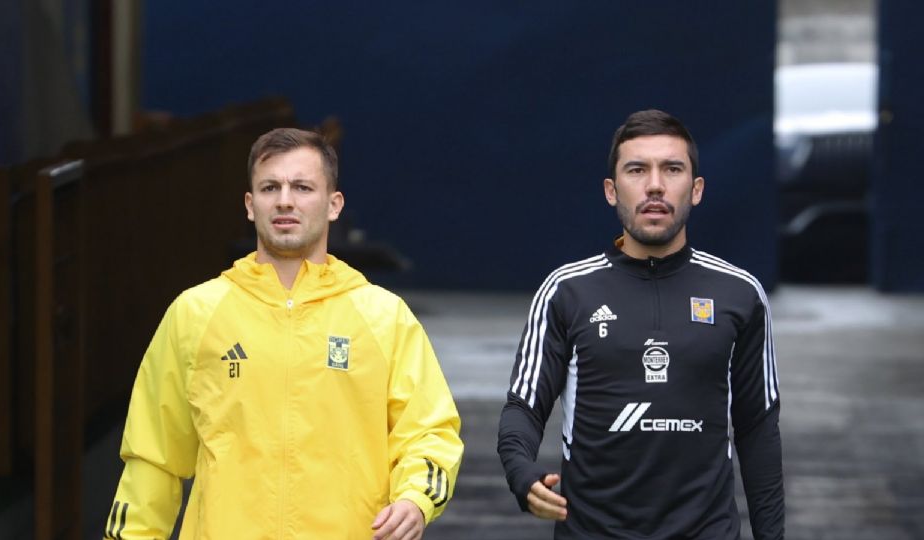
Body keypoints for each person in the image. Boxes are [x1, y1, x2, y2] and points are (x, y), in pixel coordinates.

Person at [104, 128, 463, 539]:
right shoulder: (195, 314)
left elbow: (429, 431)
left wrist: (415, 498)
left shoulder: (382, 316)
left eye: (303, 187)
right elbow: (153, 458)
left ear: (334, 205)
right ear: (249, 204)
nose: (285, 200)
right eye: (270, 186)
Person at [497, 109, 784, 539]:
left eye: (672, 169)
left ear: (697, 189)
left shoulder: (739, 293)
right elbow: (523, 408)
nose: (654, 184)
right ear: (611, 191)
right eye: (637, 170)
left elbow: (758, 429)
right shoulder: (566, 291)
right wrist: (523, 475)